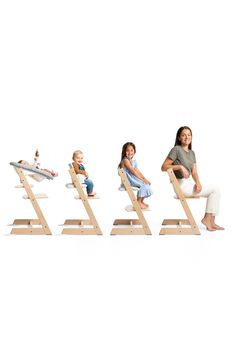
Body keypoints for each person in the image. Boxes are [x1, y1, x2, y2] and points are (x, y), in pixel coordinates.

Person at [161, 126, 224, 231]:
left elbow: (194, 172)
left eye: (189, 135)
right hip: (181, 186)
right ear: (179, 138)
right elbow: (163, 167)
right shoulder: (176, 149)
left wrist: (198, 183)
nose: (187, 137)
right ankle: (207, 220)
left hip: (189, 184)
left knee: (216, 190)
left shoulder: (192, 153)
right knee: (214, 190)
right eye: (183, 135)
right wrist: (180, 167)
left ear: (192, 137)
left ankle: (211, 221)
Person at [118, 142, 153, 209]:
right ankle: (138, 202)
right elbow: (133, 171)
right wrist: (142, 180)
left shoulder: (133, 161)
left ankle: (141, 201)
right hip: (129, 180)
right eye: (127, 150)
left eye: (132, 150)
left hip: (133, 178)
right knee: (143, 184)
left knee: (146, 184)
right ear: (124, 152)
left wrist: (145, 179)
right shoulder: (125, 160)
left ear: (134, 151)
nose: (130, 152)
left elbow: (138, 172)